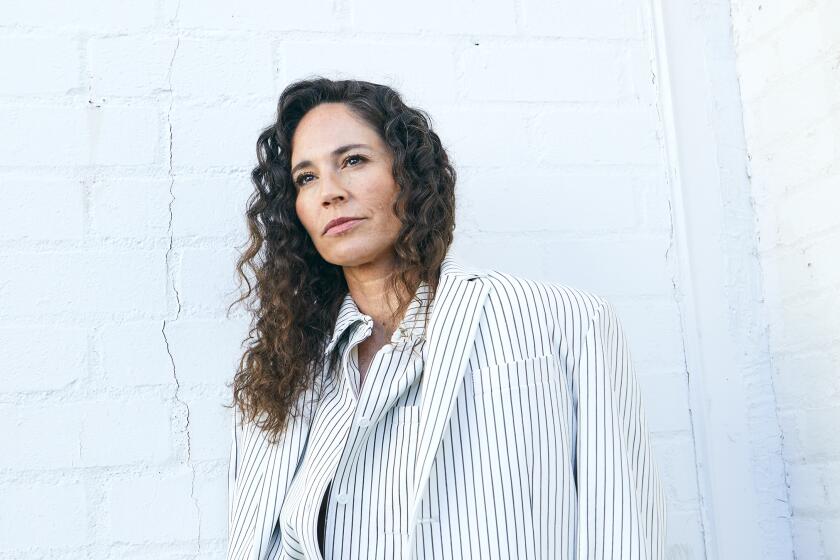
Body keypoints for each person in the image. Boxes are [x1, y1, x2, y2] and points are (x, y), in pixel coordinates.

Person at [225, 77, 666, 560]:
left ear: (408, 174)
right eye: (305, 178)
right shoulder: (282, 371)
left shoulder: (564, 322)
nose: (329, 192)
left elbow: (623, 527)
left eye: (353, 161)